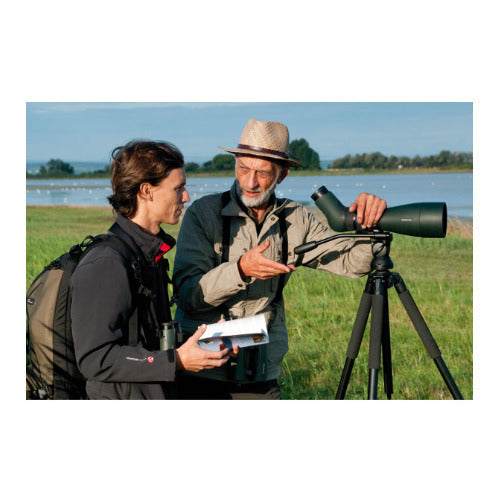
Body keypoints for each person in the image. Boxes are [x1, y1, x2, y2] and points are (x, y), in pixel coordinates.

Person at [173, 118, 387, 400]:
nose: (250, 182)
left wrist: (369, 224)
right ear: (235, 162)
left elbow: (352, 262)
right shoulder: (203, 214)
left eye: (262, 173)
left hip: (260, 369)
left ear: (282, 175)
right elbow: (188, 295)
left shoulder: (296, 219)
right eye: (243, 168)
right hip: (201, 367)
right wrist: (240, 270)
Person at [70, 140, 236, 399]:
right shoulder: (107, 263)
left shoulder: (148, 256)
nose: (186, 197)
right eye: (178, 188)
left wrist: (204, 343)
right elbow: (95, 358)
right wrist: (176, 361)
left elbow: (147, 343)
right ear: (147, 191)